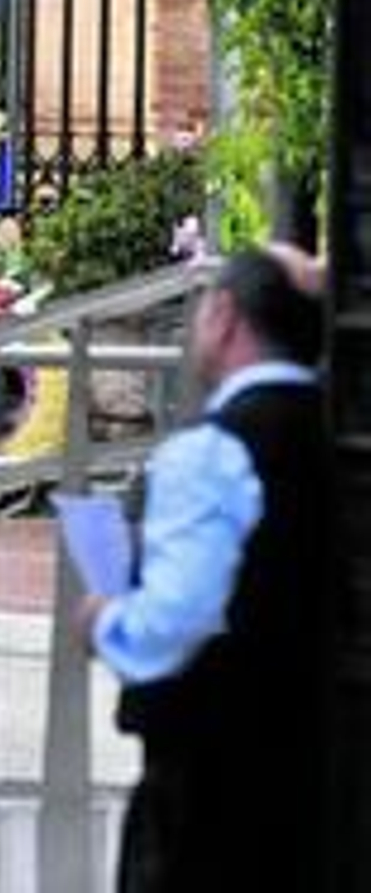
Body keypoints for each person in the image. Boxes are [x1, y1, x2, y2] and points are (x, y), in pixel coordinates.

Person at [75, 245, 332, 892]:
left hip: (209, 785)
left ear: (222, 316)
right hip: (318, 771)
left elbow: (175, 621)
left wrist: (105, 621)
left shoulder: (212, 453)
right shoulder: (335, 431)